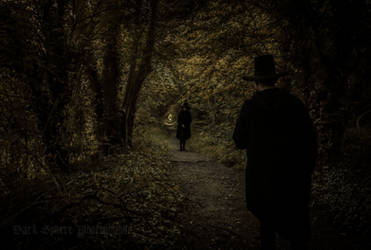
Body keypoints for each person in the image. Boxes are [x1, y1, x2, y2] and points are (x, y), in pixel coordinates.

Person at [233, 55, 317, 250]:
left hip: (262, 176)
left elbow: (239, 141)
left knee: (266, 221)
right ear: (275, 79)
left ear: (256, 82)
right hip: (293, 175)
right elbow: (310, 139)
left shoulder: (250, 107)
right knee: (296, 221)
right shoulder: (294, 104)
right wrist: (307, 168)